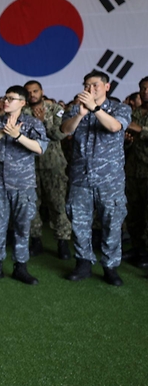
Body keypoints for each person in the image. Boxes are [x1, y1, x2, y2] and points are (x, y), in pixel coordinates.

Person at [61, 70, 131, 286]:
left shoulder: (120, 108)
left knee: (111, 223)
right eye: (86, 85)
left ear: (106, 87)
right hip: (81, 177)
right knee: (80, 222)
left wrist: (95, 109)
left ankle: (110, 266)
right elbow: (65, 130)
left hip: (109, 179)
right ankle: (83, 262)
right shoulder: (75, 109)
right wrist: (81, 114)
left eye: (95, 85)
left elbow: (114, 126)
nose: (90, 89)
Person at [0, 86, 48, 285]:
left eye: (11, 98)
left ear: (23, 103)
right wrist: (3, 132)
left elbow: (40, 148)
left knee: (22, 228)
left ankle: (20, 267)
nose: (6, 101)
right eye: (5, 98)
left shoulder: (32, 123)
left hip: (23, 185)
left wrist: (17, 135)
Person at [24, 80, 72, 260]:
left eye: (35, 91)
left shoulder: (54, 110)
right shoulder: (22, 112)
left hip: (53, 165)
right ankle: (36, 241)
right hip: (30, 166)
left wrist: (43, 122)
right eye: (28, 92)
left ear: (42, 91)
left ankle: (62, 242)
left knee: (57, 204)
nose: (32, 95)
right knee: (32, 205)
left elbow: (59, 134)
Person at [125, 77, 148, 269]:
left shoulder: (136, 121)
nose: (145, 91)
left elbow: (138, 130)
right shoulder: (134, 114)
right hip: (133, 170)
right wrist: (127, 138)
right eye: (142, 88)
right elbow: (128, 138)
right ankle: (137, 248)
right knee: (134, 212)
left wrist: (139, 130)